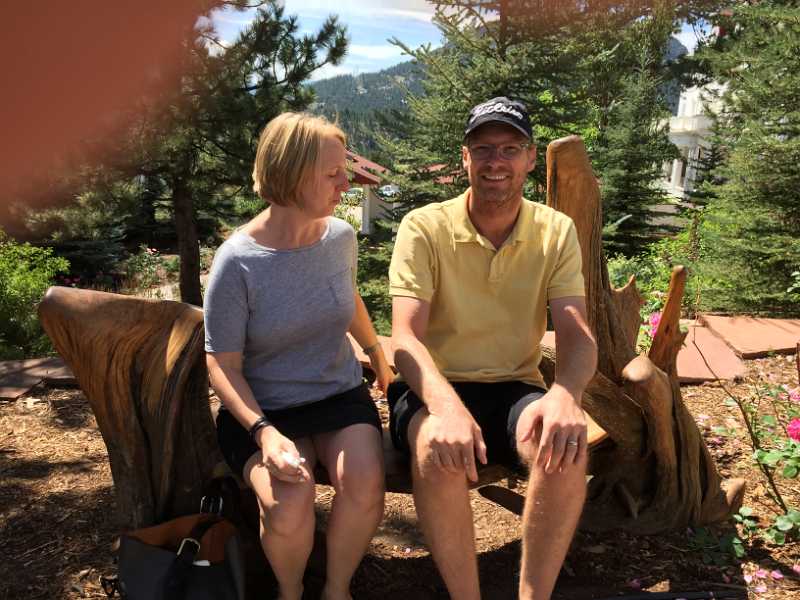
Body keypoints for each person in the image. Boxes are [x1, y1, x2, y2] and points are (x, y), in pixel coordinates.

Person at [387, 97, 598, 600]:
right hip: (430, 386)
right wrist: (445, 408)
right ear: (465, 158)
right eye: (482, 149)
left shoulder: (555, 230)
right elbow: (405, 339)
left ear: (530, 158)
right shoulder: (425, 226)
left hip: (514, 385)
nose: (495, 162)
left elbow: (576, 333)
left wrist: (565, 394)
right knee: (437, 449)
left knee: (564, 451)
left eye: (510, 149)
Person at [204, 112, 393, 600]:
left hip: (337, 394)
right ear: (290, 176)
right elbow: (221, 365)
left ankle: (336, 589)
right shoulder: (237, 262)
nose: (346, 184)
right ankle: (290, 591)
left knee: (365, 485)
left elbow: (346, 296)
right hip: (263, 410)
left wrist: (377, 353)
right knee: (288, 505)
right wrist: (263, 432)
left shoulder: (340, 238)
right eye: (333, 174)